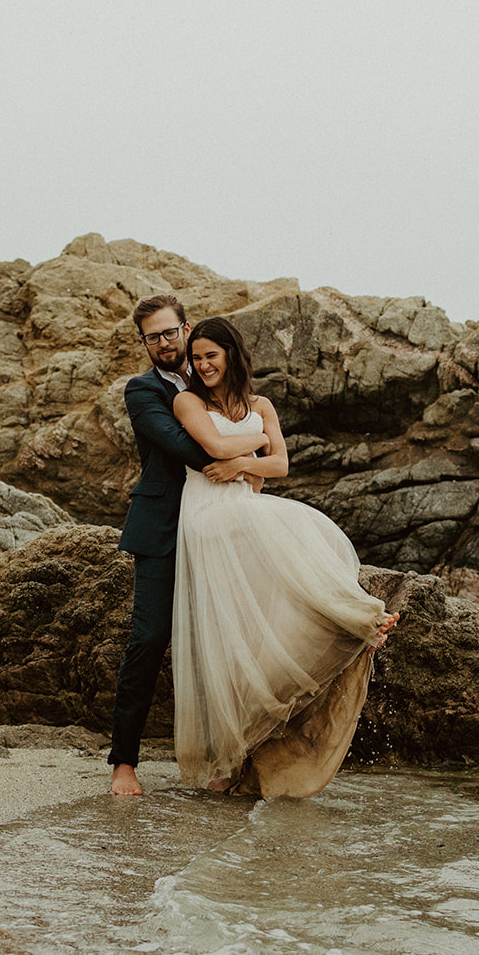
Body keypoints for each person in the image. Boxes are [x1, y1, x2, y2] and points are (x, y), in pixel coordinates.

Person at [170, 316, 398, 798]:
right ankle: (354, 617)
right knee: (226, 631)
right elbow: (214, 446)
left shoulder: (261, 404)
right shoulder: (187, 400)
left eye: (211, 354)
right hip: (209, 514)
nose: (203, 364)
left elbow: (281, 465)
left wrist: (243, 463)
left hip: (243, 505)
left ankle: (353, 620)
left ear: (232, 354)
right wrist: (253, 447)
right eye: (197, 357)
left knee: (259, 627)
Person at [109, 295, 269, 797]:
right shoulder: (143, 390)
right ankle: (123, 764)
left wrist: (250, 450)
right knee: (150, 639)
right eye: (152, 337)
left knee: (223, 639)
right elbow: (182, 446)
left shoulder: (219, 387)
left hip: (221, 524)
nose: (163, 343)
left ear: (187, 328)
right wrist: (256, 445)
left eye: (169, 332)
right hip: (162, 528)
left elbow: (259, 446)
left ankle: (229, 762)